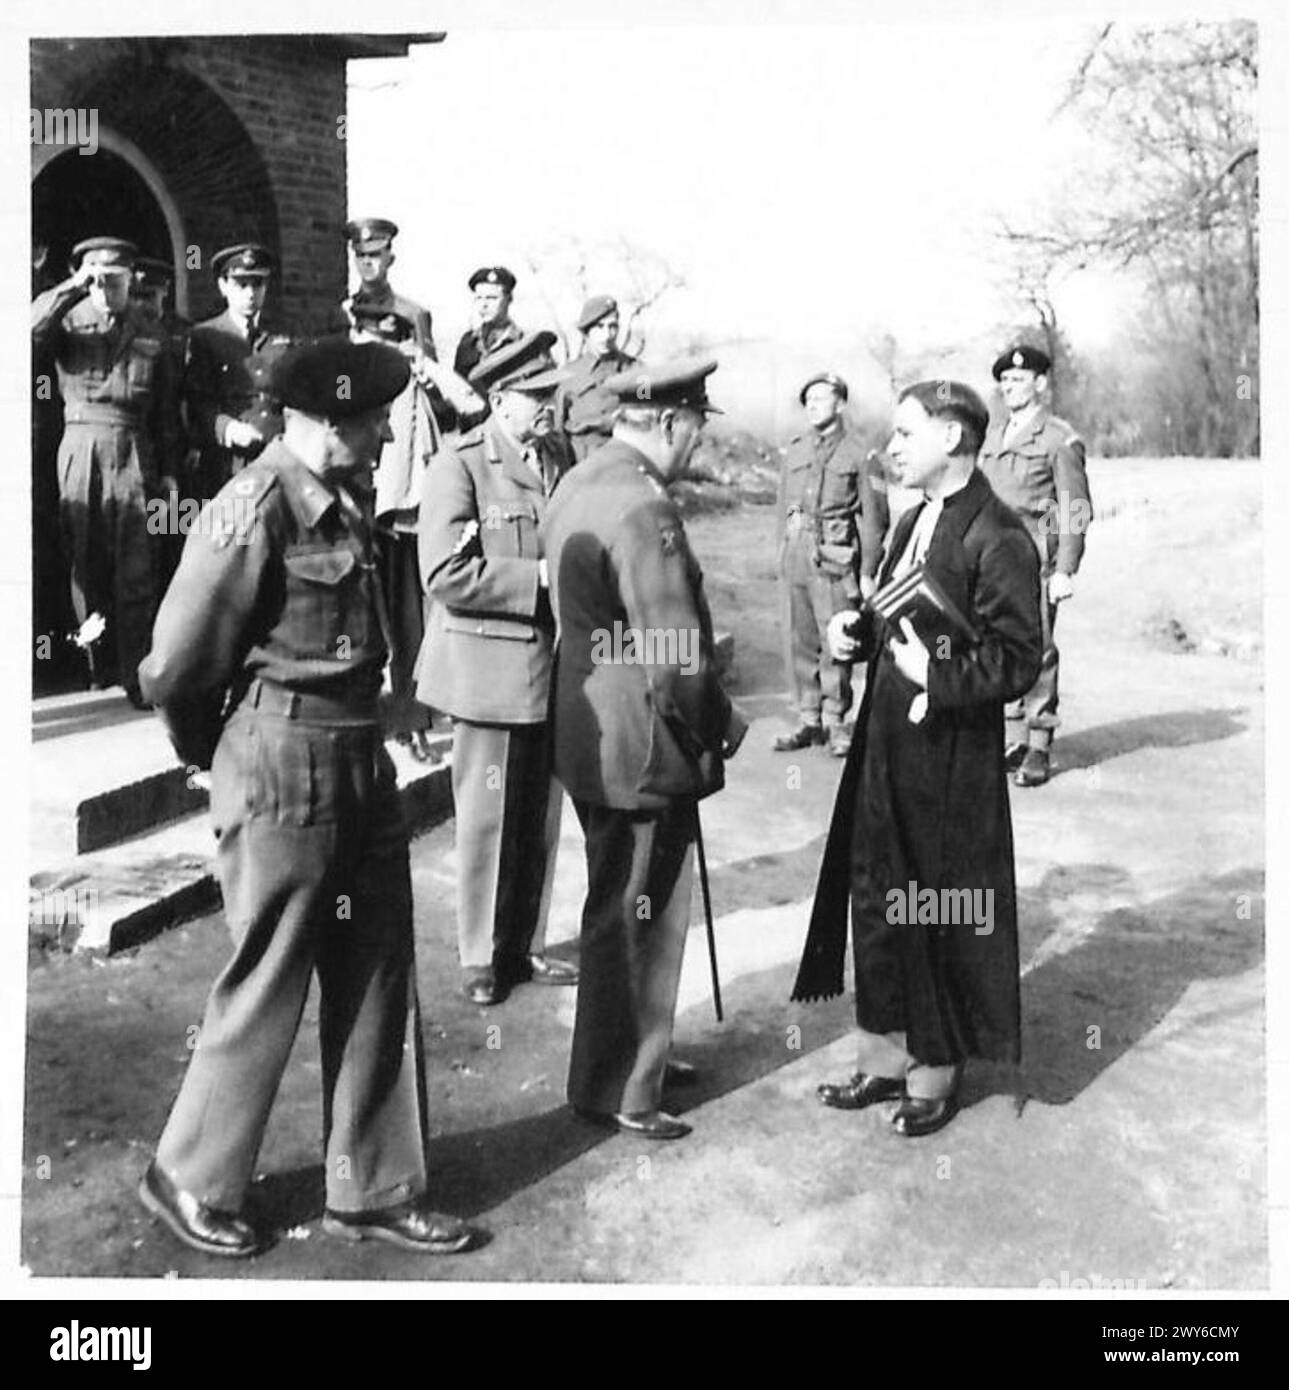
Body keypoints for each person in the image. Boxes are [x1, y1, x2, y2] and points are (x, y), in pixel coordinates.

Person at [135, 337, 479, 1259]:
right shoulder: (252, 507)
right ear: (326, 420)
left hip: (358, 758)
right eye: (368, 421)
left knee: (376, 967)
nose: (380, 434)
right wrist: (217, 750)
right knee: (269, 970)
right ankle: (190, 1176)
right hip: (282, 760)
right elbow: (172, 664)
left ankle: (371, 1184)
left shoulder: (349, 502)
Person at [791, 380, 1043, 1139]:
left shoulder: (997, 535)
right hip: (885, 743)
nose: (890, 447)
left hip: (949, 757)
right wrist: (850, 631)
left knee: (932, 904)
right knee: (878, 893)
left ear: (953, 440)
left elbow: (1019, 659)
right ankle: (884, 1054)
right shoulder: (910, 523)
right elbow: (886, 613)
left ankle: (935, 1068)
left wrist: (940, 676)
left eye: (905, 434)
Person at [541, 357, 749, 1141]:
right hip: (642, 740)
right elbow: (675, 655)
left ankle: (625, 1061)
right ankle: (626, 1089)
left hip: (589, 724)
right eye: (695, 424)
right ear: (666, 423)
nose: (697, 441)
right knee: (643, 913)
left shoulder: (580, 480)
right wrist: (718, 725)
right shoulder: (644, 508)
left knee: (612, 908)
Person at [417, 329, 580, 1006]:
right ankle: (480, 955)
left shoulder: (558, 456)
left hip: (552, 667)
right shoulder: (459, 464)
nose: (548, 406)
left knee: (537, 817)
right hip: (486, 671)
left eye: (550, 393)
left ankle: (525, 943)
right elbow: (443, 572)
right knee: (487, 819)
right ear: (500, 399)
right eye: (536, 396)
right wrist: (539, 578)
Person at [32, 236, 182, 704]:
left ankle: (135, 673)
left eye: (114, 280)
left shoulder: (150, 332)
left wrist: (171, 472)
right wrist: (69, 288)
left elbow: (165, 410)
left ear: (130, 280)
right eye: (96, 279)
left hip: (135, 450)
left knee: (139, 564)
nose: (104, 289)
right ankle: (97, 670)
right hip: (81, 447)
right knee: (87, 561)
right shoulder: (68, 323)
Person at [349, 302, 481, 761]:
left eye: (393, 343)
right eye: (372, 341)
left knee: (414, 626)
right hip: (363, 520)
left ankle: (414, 722)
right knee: (368, 630)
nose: (383, 351)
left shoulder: (417, 386)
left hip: (408, 519)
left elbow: (471, 408)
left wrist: (428, 369)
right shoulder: (348, 388)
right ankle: (383, 725)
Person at [978, 343, 1093, 787]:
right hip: (992, 562)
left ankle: (1040, 744)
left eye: (1019, 380)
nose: (1010, 388)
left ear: (1041, 384)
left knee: (1038, 650)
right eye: (1004, 381)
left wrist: (1066, 567)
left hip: (1035, 561)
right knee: (995, 646)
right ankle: (1012, 738)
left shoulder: (1057, 439)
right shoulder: (993, 435)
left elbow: (1075, 507)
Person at [774, 372, 889, 758]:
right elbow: (785, 508)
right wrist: (784, 550)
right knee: (799, 638)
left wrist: (869, 570)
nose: (814, 406)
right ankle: (809, 718)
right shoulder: (794, 451)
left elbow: (874, 520)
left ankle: (838, 720)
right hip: (797, 555)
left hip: (836, 558)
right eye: (808, 400)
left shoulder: (861, 455)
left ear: (840, 404)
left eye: (822, 399)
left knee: (836, 640)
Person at [183, 243, 292, 499]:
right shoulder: (206, 336)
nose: (250, 293)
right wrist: (229, 429)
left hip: (274, 456)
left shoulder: (283, 335)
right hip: (227, 460)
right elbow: (197, 401)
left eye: (257, 284)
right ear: (223, 286)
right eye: (241, 285)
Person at [555, 294, 638, 463]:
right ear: (586, 331)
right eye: (599, 327)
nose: (607, 335)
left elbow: (647, 414)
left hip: (625, 466)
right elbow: (558, 432)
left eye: (612, 326)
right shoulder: (567, 375)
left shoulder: (639, 372)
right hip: (581, 470)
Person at [450, 266, 523, 426]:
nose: (483, 305)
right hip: (473, 431)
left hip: (509, 431)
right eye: (479, 298)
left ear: (509, 299)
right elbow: (458, 390)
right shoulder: (467, 343)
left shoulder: (524, 344)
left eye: (491, 298)